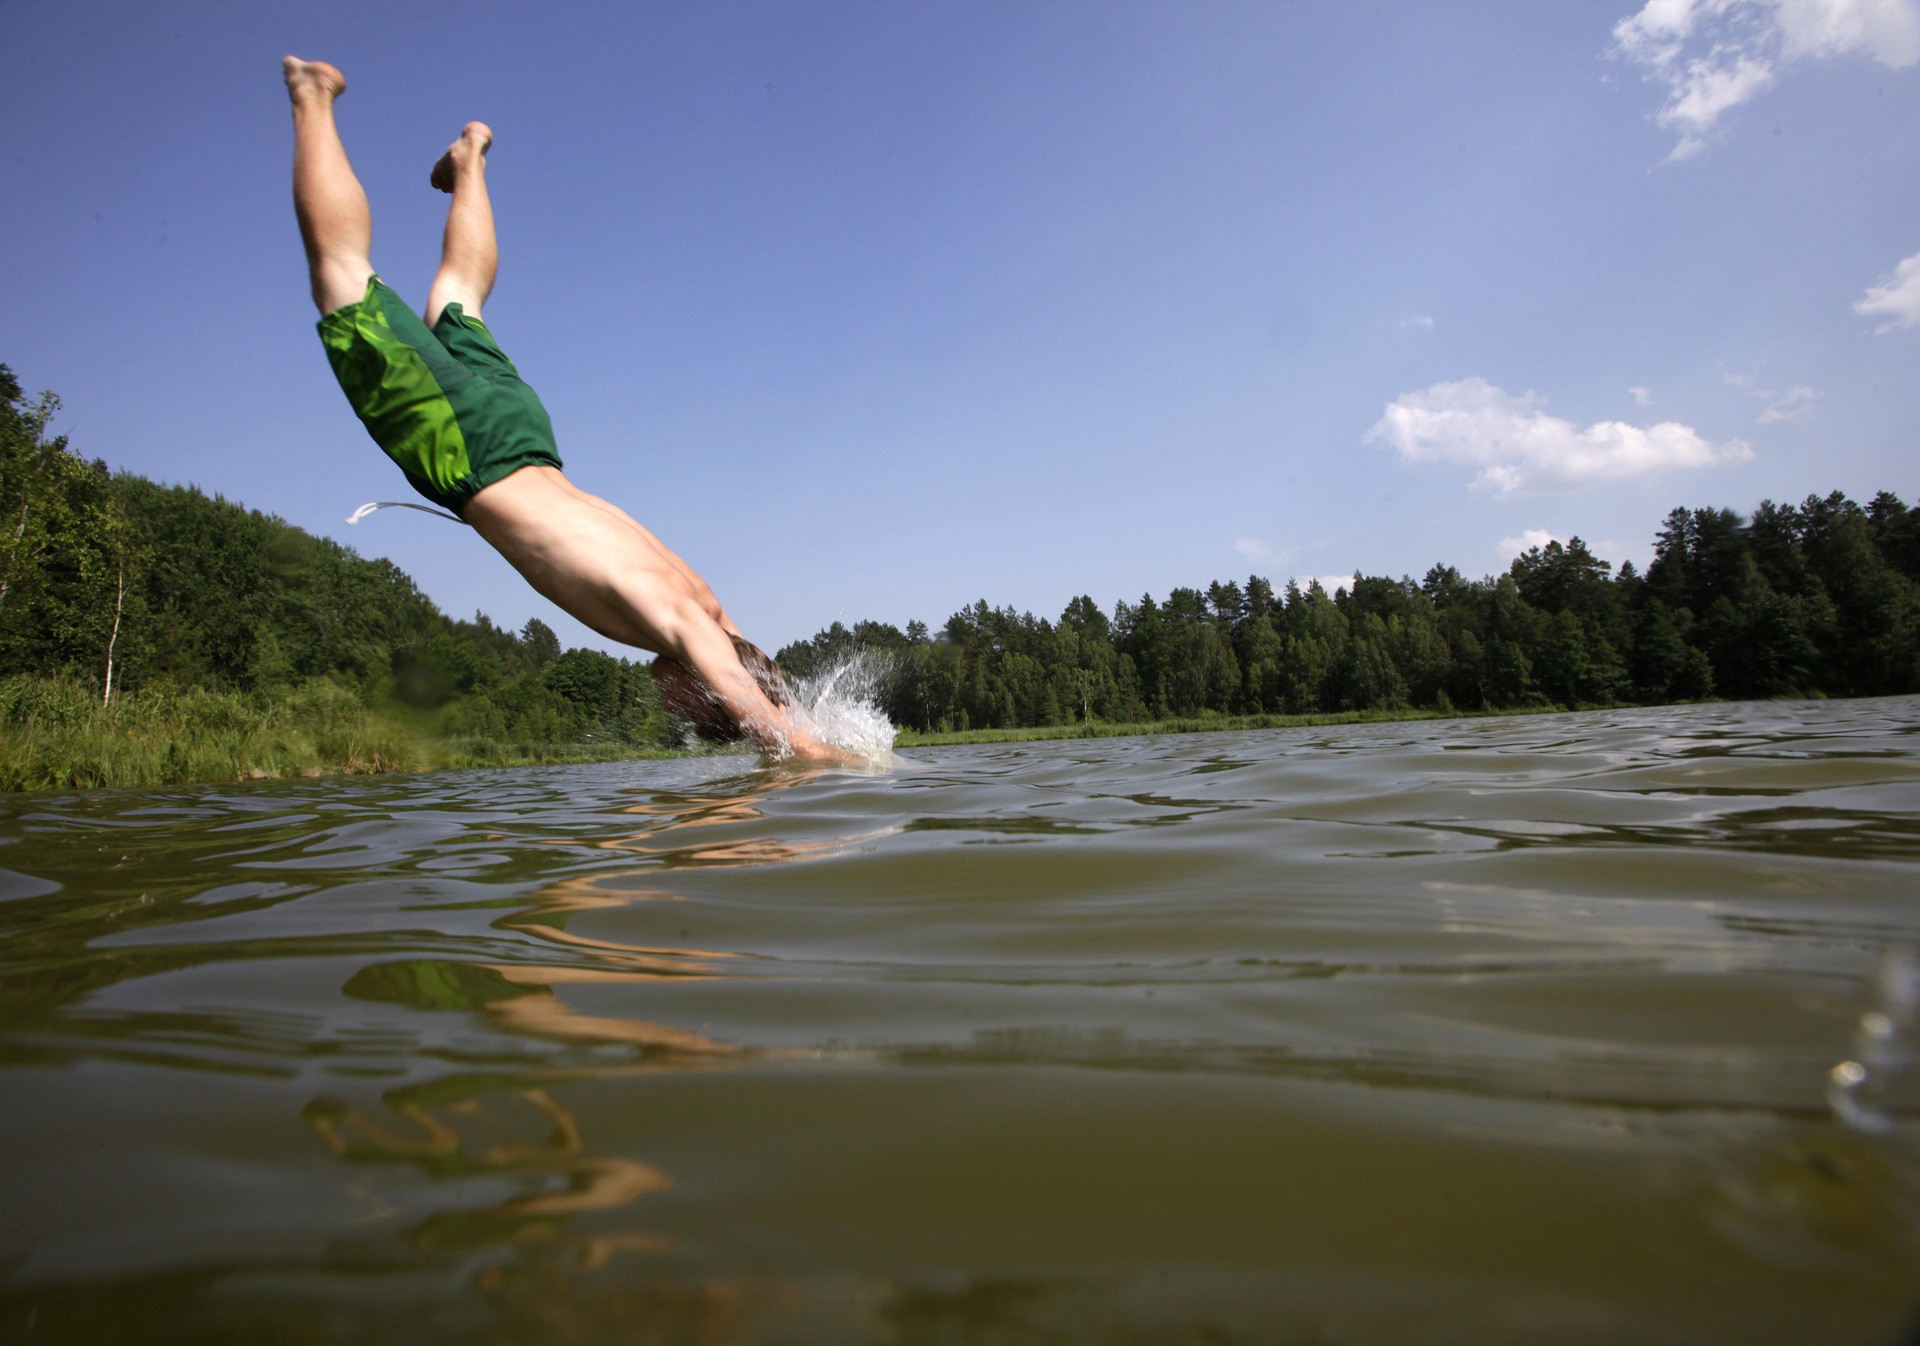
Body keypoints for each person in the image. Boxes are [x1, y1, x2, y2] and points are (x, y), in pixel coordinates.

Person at [282, 57, 849, 763]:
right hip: (470, 453)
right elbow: (729, 669)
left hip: (523, 435)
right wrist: (801, 746)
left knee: (459, 302)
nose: (673, 707)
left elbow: (745, 659)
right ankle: (313, 95)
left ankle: (470, 161)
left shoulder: (710, 605)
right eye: (690, 708)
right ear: (708, 689)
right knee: (342, 276)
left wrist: (787, 705)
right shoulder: (679, 623)